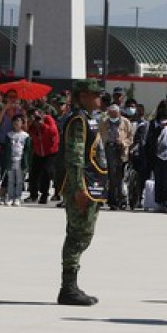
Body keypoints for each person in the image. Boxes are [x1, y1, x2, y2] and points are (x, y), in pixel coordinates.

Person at [58, 79, 107, 306]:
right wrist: (79, 189)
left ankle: (71, 286)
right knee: (77, 236)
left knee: (82, 235)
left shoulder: (88, 119)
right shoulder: (79, 120)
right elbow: (75, 157)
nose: (99, 98)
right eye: (95, 94)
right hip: (82, 187)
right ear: (84, 96)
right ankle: (68, 288)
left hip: (89, 185)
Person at [99, 104, 133, 210]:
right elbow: (99, 136)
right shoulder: (104, 122)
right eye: (111, 114)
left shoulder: (126, 122)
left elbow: (131, 137)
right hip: (108, 149)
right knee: (111, 176)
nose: (113, 116)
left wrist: (123, 143)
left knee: (120, 176)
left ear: (119, 113)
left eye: (115, 114)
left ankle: (122, 199)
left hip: (121, 150)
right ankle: (112, 200)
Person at [26, 107, 60, 204]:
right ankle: (33, 195)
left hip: (50, 151)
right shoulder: (33, 125)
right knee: (33, 173)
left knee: (46, 172)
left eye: (37, 116)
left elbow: (53, 132)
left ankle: (44, 195)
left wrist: (42, 125)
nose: (36, 118)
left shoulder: (48, 119)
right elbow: (30, 133)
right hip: (38, 151)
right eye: (33, 116)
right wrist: (32, 124)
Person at [1, 115, 31, 206]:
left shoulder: (25, 136)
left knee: (19, 180)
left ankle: (17, 197)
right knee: (10, 180)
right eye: (14, 121)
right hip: (11, 160)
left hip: (20, 160)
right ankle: (10, 197)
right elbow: (6, 150)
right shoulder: (9, 135)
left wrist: (26, 163)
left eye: (18, 121)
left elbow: (28, 150)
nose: (16, 123)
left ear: (22, 123)